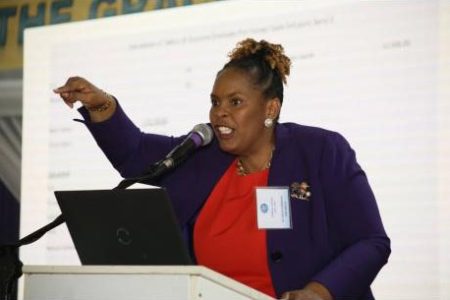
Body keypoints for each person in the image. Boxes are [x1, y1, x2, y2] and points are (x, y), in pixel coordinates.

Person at [53, 38, 390, 300]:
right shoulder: (202, 154)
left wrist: (319, 292)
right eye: (215, 102)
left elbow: (370, 241)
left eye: (235, 102)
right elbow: (136, 153)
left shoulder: (320, 151)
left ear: (270, 108)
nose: (219, 114)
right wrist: (101, 105)